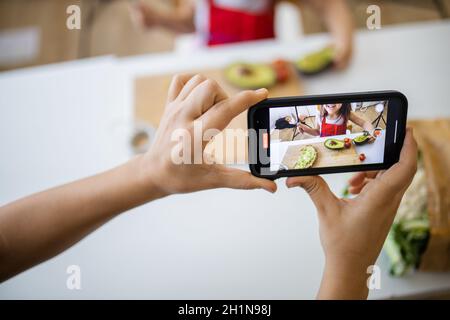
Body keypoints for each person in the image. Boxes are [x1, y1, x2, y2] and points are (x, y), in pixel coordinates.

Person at [0, 75, 417, 299]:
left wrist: (149, 174)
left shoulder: (348, 117)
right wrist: (351, 265)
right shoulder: (317, 120)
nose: (328, 108)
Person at [133, 0, 353, 69]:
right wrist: (158, 19)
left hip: (262, 63)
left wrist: (343, 43)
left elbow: (328, 6)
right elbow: (190, 23)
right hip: (211, 61)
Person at [298, 103, 374, 137]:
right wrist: (306, 129)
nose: (331, 103)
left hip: (341, 145)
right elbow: (317, 132)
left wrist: (372, 131)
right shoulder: (319, 115)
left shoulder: (346, 113)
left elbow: (363, 123)